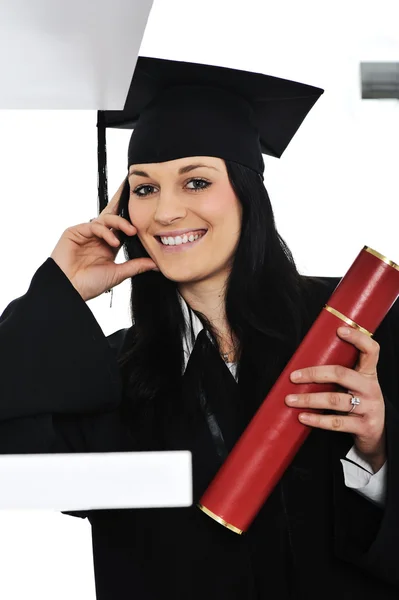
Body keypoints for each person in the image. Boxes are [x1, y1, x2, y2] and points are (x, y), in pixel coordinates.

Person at [1, 56, 398, 600]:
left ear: (246, 190)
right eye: (144, 189)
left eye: (195, 181)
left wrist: (379, 449)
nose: (166, 212)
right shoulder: (111, 376)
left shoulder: (360, 327)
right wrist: (55, 296)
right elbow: (16, 465)